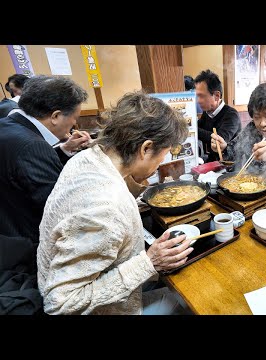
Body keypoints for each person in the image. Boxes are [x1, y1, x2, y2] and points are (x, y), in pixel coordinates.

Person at [37, 91, 192, 315]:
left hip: (68, 276)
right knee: (185, 300)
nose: (161, 164)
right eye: (163, 155)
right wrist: (149, 262)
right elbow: (61, 304)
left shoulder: (87, 157)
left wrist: (138, 177)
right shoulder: (105, 207)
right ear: (146, 148)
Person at [0, 75, 90, 314]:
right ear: (56, 115)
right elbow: (60, 208)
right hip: (24, 248)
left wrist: (63, 149)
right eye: (73, 119)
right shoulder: (32, 147)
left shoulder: (8, 126)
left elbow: (21, 174)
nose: (74, 125)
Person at [195, 69, 241, 162]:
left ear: (216, 95)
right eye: (197, 96)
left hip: (230, 164)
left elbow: (217, 141)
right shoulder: (207, 112)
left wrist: (192, 129)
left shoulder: (232, 115)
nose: (198, 101)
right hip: (213, 161)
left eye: (202, 96)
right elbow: (199, 126)